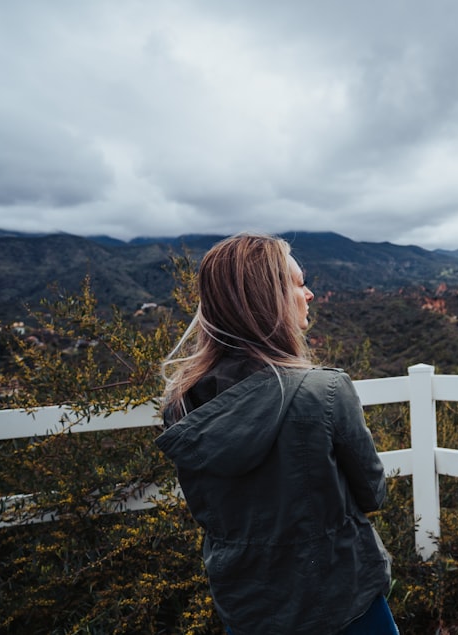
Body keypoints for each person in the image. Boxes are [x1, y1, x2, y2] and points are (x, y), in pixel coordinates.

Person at [155, 232, 397, 634]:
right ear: (268, 300)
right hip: (342, 599)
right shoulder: (324, 391)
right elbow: (373, 493)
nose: (311, 294)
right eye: (299, 284)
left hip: (248, 607)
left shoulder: (182, 405)